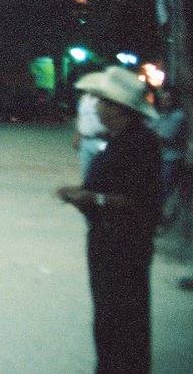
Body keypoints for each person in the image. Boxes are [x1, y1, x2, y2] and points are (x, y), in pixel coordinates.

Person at [56, 66, 161, 374]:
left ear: (120, 109)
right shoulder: (115, 139)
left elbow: (142, 204)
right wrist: (80, 196)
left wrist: (94, 199)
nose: (96, 106)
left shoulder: (141, 144)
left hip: (125, 247)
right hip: (105, 242)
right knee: (106, 319)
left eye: (102, 101)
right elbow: (104, 190)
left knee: (124, 322)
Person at [150, 85, 188, 216]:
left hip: (171, 159)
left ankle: (159, 217)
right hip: (161, 156)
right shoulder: (162, 114)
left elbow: (165, 137)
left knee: (163, 190)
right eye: (163, 99)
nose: (164, 102)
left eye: (168, 99)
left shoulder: (178, 116)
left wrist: (153, 132)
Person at [74, 91, 108, 181]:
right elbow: (79, 117)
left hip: (101, 140)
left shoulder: (104, 99)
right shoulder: (84, 98)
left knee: (101, 168)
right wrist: (77, 136)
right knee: (86, 170)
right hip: (85, 139)